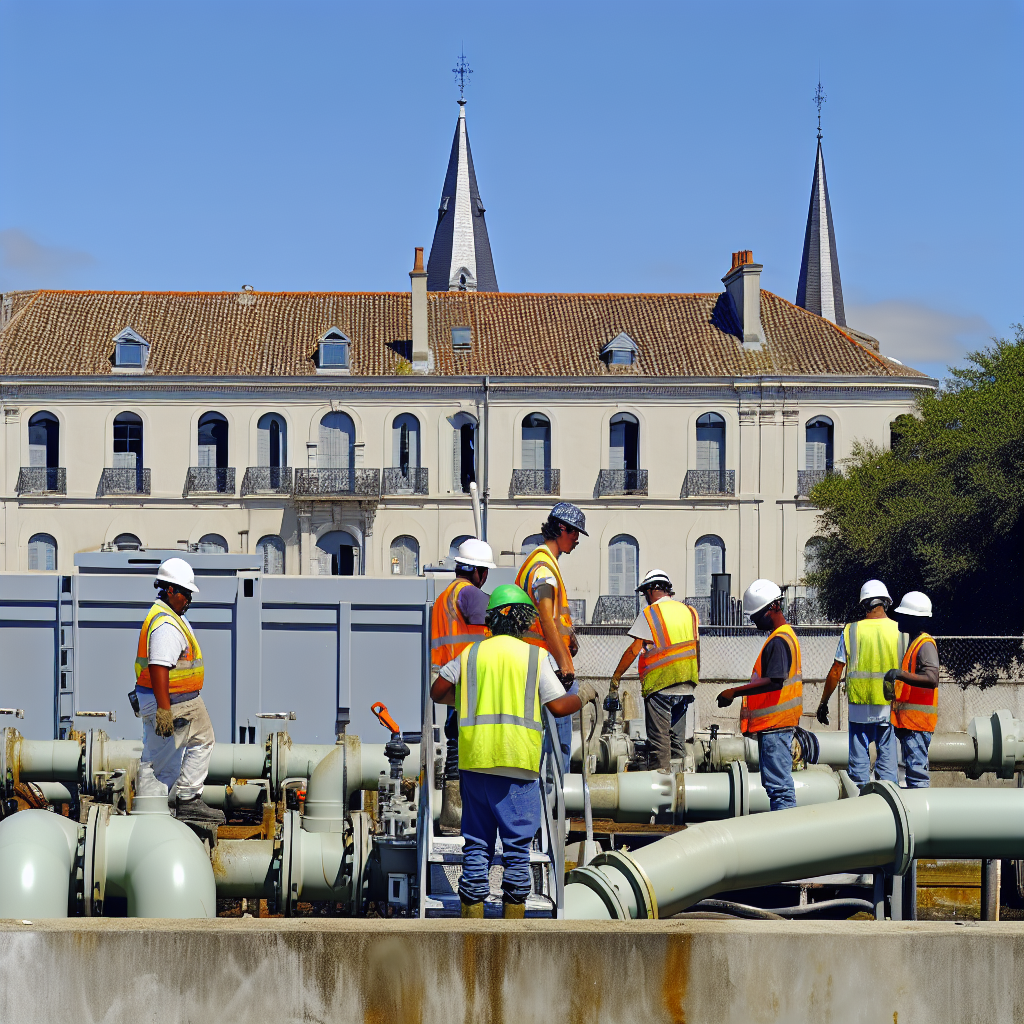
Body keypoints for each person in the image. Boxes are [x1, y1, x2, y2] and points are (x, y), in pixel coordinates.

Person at [429, 584, 589, 918]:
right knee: (516, 851)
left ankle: (471, 939)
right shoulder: (534, 656)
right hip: (517, 767)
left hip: (475, 766)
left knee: (476, 846)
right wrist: (585, 695)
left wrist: (461, 700)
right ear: (523, 620)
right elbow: (559, 706)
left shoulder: (471, 654)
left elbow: (438, 690)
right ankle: (511, 937)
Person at [133, 558, 223, 824]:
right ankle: (155, 811)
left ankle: (184, 799)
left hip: (183, 701)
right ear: (170, 590)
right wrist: (163, 709)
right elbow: (159, 667)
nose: (188, 599)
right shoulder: (166, 626)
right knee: (160, 762)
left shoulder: (171, 616)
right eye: (185, 593)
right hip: (173, 703)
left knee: (199, 742)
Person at [717, 580, 803, 810]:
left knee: (779, 789)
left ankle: (785, 840)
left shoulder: (778, 641)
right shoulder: (784, 636)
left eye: (757, 614)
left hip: (776, 726)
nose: (753, 620)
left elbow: (775, 681)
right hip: (776, 725)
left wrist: (734, 692)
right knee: (777, 787)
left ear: (774, 607)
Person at [515, 502, 588, 773]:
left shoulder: (536, 563)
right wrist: (564, 662)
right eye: (574, 533)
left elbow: (551, 618)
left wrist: (569, 640)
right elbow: (545, 618)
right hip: (550, 666)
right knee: (559, 743)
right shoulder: (544, 567)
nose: (577, 539)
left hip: (537, 660)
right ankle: (557, 801)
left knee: (543, 739)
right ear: (561, 528)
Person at [430, 537, 496, 832]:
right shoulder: (470, 594)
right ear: (479, 572)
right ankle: (458, 810)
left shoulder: (445, 596)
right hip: (468, 679)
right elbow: (499, 625)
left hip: (448, 680)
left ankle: (452, 810)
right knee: (466, 745)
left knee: (456, 739)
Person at [609, 570, 699, 770]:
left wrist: (615, 678)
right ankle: (682, 785)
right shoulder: (689, 611)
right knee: (677, 742)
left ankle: (662, 791)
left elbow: (634, 649)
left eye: (645, 594)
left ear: (650, 590)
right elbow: (696, 647)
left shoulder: (651, 613)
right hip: (686, 685)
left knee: (660, 745)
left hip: (660, 685)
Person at [816, 579, 900, 787]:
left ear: (864, 604)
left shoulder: (851, 631)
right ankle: (889, 809)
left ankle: (861, 808)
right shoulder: (900, 631)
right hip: (889, 707)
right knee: (889, 768)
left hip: (859, 709)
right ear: (886, 603)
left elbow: (837, 671)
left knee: (859, 771)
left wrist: (823, 702)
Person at [888, 591, 939, 789]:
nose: (899, 618)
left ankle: (920, 817)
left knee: (917, 775)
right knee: (911, 773)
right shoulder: (914, 643)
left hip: (918, 724)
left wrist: (899, 675)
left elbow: (932, 678)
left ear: (915, 619)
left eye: (903, 615)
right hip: (910, 724)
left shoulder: (925, 645)